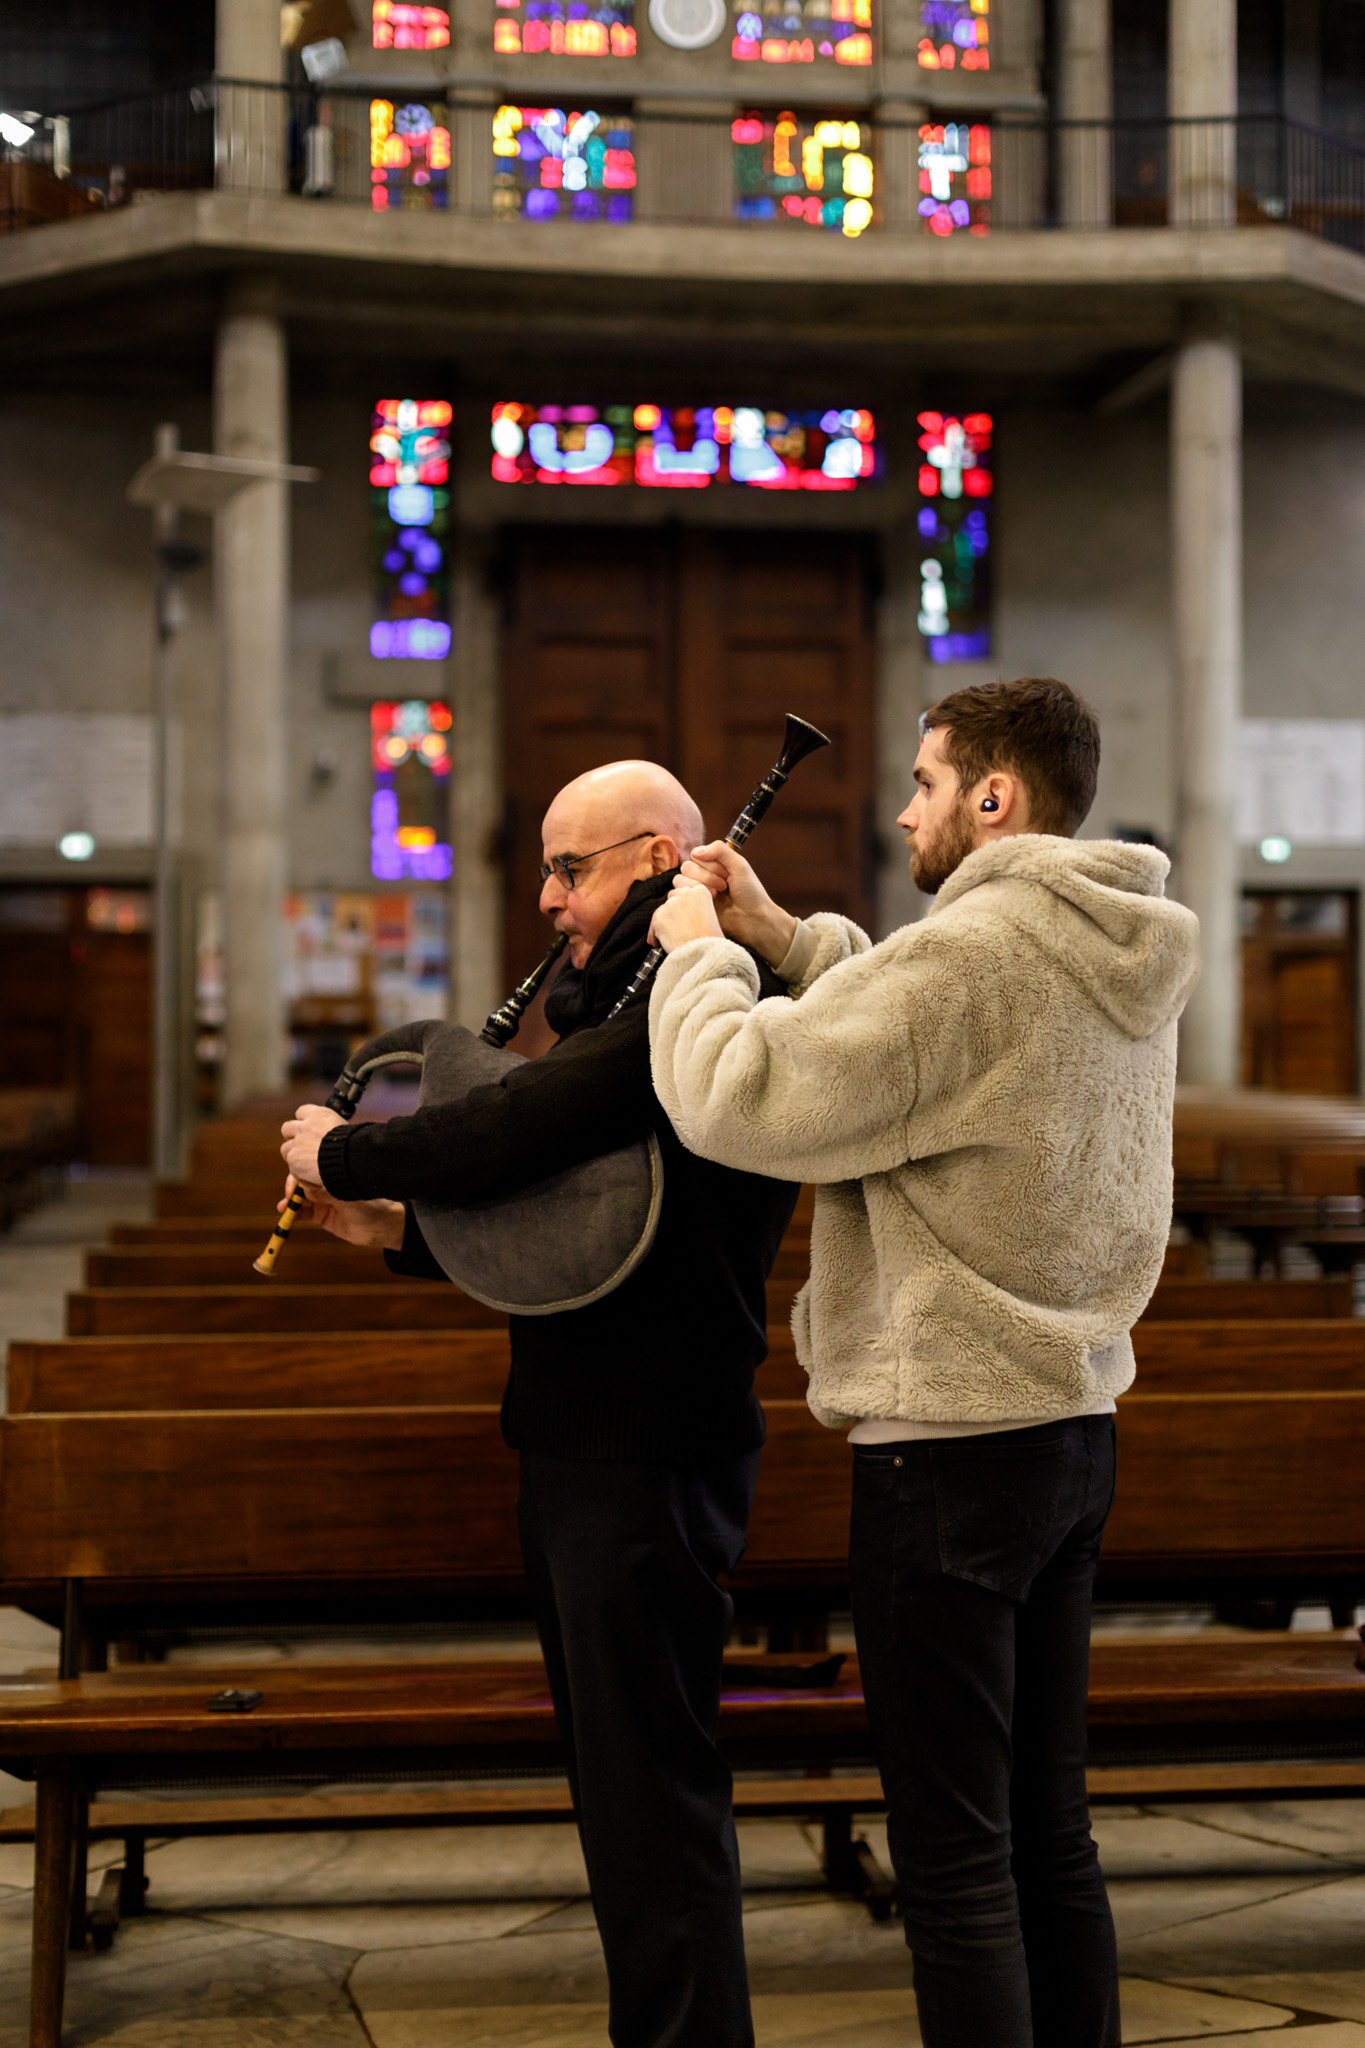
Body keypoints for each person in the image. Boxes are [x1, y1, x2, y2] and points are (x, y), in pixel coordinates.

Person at [646, 678, 1200, 2048]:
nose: (902, 807)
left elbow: (740, 1096)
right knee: (1045, 1836)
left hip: (947, 1453)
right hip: (1069, 1433)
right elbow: (930, 1050)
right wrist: (785, 934)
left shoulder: (975, 959)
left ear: (993, 797)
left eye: (924, 782)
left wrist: (697, 955)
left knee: (952, 1862)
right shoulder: (1103, 946)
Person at [279, 760, 796, 2048]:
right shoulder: (628, 992)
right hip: (590, 1443)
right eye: (553, 870)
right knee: (624, 1802)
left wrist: (345, 1145)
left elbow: (531, 1124)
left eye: (573, 870)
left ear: (658, 860)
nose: (552, 901)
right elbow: (579, 1223)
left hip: (650, 1455)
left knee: (653, 1802)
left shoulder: (695, 988)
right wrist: (391, 1231)